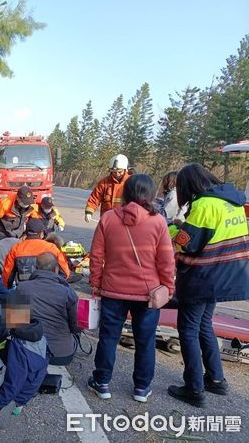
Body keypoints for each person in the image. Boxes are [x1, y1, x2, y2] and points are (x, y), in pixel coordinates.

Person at [88, 174, 175, 403]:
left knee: (108, 338)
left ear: (125, 193)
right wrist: (168, 287)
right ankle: (141, 388)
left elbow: (96, 256)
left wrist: (96, 283)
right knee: (145, 342)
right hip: (148, 294)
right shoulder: (158, 222)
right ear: (151, 194)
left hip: (112, 291)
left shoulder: (108, 218)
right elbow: (166, 260)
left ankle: (102, 382)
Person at [168, 164, 249, 408]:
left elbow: (186, 244)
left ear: (188, 185)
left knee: (189, 329)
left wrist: (172, 227)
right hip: (226, 276)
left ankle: (194, 388)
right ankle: (216, 379)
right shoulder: (231, 202)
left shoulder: (204, 205)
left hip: (205, 277)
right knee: (204, 325)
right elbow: (210, 235)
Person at [0, 292, 49, 429]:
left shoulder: (19, 345)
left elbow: (13, 381)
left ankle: (7, 405)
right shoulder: (39, 333)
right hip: (32, 385)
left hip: (20, 389)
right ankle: (17, 404)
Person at [15, 253, 80, 365]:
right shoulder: (68, 293)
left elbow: (12, 323)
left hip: (28, 352)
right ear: (56, 269)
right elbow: (76, 326)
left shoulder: (21, 288)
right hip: (61, 356)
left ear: (35, 268)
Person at [2, 219, 71, 288]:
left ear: (26, 233)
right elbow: (65, 273)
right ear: (41, 234)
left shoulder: (16, 249)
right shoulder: (52, 248)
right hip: (48, 288)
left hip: (25, 290)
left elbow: (7, 277)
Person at [85, 154, 131, 222]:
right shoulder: (104, 183)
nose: (117, 174)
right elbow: (95, 198)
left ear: (125, 170)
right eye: (114, 172)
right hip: (107, 221)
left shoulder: (132, 182)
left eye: (119, 172)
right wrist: (89, 212)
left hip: (125, 221)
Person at [156, 171, 188, 236]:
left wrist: (154, 208)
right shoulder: (176, 193)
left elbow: (167, 214)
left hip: (173, 228)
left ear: (170, 182)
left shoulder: (174, 194)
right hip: (174, 226)